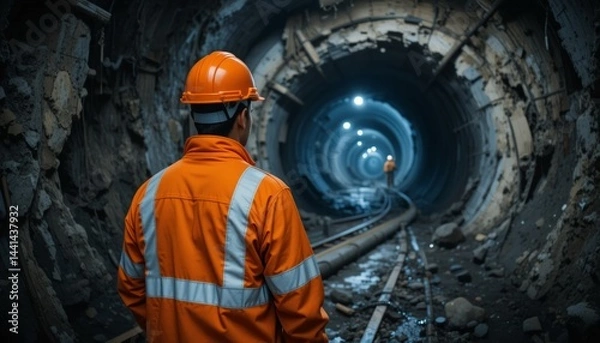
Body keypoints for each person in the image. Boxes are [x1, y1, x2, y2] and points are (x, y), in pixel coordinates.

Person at [117, 51, 329, 342]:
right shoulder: (267, 194)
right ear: (242, 117)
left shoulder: (148, 193)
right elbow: (300, 309)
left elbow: (131, 286)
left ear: (193, 116)